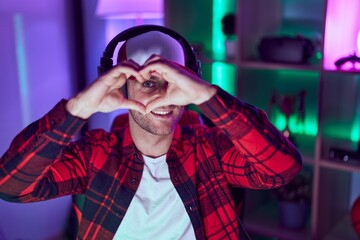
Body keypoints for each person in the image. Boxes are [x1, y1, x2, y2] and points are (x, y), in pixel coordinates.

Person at [0, 25, 302, 240]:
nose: (162, 95)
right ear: (122, 87)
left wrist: (208, 96)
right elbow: (10, 185)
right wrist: (76, 109)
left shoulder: (210, 149)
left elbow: (283, 169)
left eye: (172, 79)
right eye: (147, 82)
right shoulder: (95, 154)